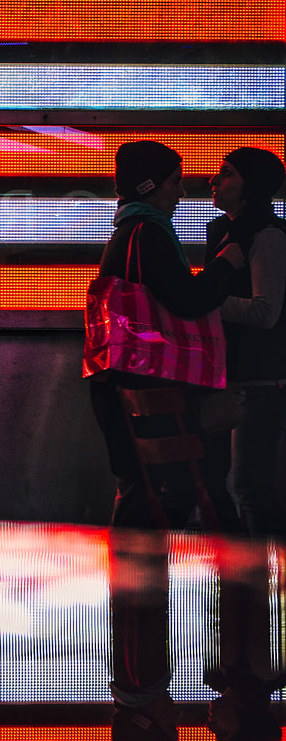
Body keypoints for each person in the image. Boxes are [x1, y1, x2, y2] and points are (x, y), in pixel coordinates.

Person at [86, 140, 244, 529]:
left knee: (142, 489)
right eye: (174, 182)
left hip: (121, 383)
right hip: (147, 386)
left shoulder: (127, 229)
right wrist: (226, 265)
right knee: (159, 491)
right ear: (149, 186)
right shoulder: (148, 233)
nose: (182, 191)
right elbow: (188, 300)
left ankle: (134, 578)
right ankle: (138, 576)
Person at [204, 147, 286, 534]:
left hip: (259, 381)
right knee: (224, 481)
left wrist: (208, 301)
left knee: (250, 486)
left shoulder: (268, 236)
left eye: (228, 173)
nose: (215, 181)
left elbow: (265, 313)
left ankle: (261, 581)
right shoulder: (223, 230)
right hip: (228, 377)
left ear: (250, 186)